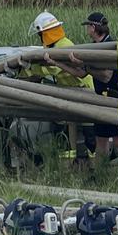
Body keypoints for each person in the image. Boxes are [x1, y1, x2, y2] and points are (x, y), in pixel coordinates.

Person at [15, 10, 95, 162]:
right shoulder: (53, 47)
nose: (40, 39)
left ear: (46, 33)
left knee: (89, 132)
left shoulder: (63, 46)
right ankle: (74, 163)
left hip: (85, 92)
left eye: (41, 35)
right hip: (71, 93)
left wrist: (29, 68)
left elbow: (52, 69)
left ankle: (96, 165)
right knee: (68, 130)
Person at [43, 12, 118, 159]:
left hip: (113, 98)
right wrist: (56, 63)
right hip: (100, 99)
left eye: (88, 26)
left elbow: (106, 76)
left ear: (93, 27)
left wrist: (85, 65)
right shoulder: (93, 47)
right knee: (101, 139)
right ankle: (100, 174)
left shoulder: (110, 46)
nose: (86, 30)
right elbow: (80, 73)